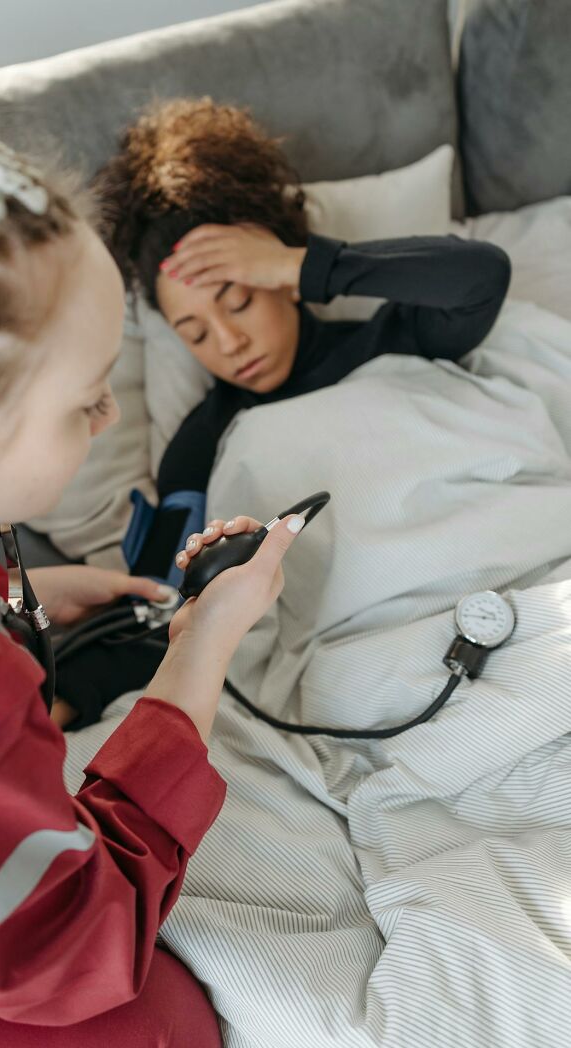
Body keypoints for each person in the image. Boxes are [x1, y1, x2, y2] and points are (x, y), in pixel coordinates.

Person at [0, 109, 307, 1047]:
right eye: (87, 400)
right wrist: (200, 657)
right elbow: (77, 950)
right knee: (161, 1021)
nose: (112, 417)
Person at [51, 97, 511, 729]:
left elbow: (481, 275)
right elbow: (160, 605)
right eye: (195, 331)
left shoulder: (398, 336)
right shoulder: (201, 442)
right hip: (380, 653)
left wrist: (300, 264)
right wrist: (61, 704)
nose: (228, 343)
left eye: (237, 299)